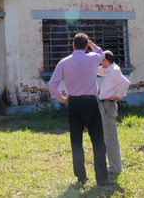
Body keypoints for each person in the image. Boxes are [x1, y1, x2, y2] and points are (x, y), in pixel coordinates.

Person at [48, 33, 115, 187]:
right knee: (98, 141)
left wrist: (62, 98)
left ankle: (81, 177)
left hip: (74, 103)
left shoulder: (64, 62)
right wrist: (92, 44)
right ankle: (102, 179)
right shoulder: (92, 58)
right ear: (85, 46)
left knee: (76, 141)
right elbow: (101, 53)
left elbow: (53, 84)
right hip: (90, 103)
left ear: (73, 45)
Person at [97, 50, 130, 177]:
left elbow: (125, 83)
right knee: (108, 137)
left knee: (111, 138)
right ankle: (113, 165)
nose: (100, 64)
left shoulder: (114, 70)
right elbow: (96, 70)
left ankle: (115, 168)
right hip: (105, 105)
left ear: (105, 60)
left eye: (101, 61)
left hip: (108, 105)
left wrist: (118, 96)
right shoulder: (109, 70)